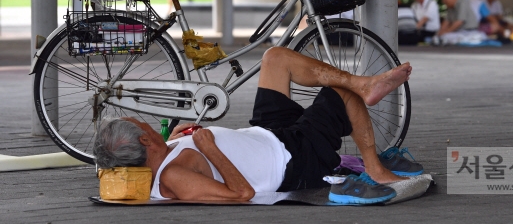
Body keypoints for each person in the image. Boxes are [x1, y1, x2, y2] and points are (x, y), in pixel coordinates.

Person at [94, 47, 422, 204]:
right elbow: (241, 194)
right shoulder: (172, 177)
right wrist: (209, 149)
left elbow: (107, 162)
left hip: (268, 134)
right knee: (341, 94)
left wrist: (180, 141)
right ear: (145, 142)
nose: (148, 124)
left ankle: (363, 83)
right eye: (142, 124)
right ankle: (375, 167)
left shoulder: (163, 153)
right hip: (294, 159)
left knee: (274, 59)